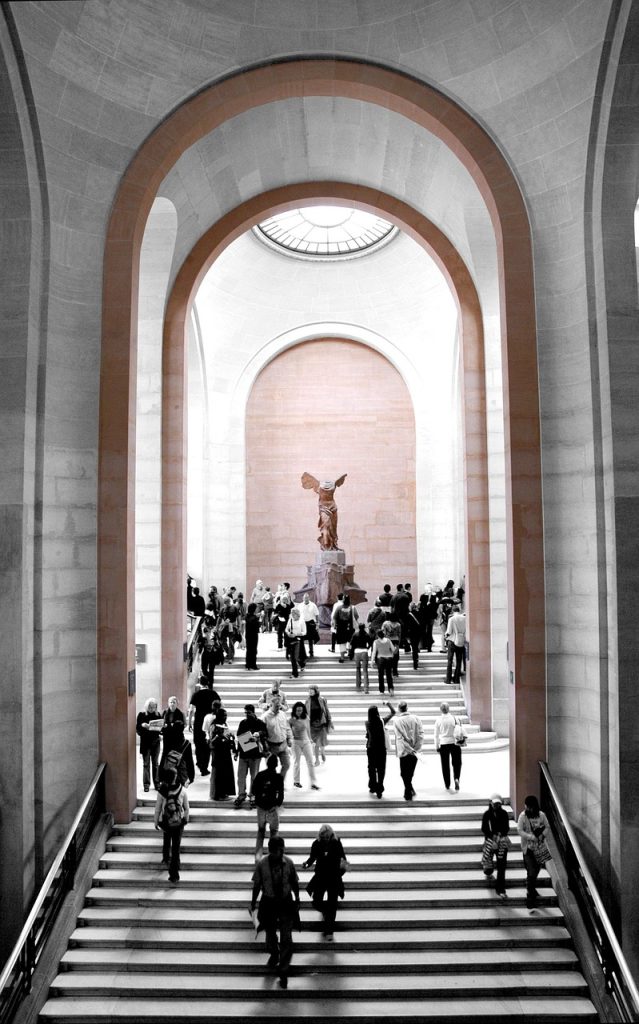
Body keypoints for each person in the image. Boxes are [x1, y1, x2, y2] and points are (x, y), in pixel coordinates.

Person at [250, 835, 300, 989]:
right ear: (272, 851)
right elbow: (257, 885)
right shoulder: (262, 865)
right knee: (270, 932)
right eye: (280, 849)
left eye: (283, 849)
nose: (282, 852)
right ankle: (274, 952)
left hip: (285, 902)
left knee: (287, 938)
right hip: (269, 902)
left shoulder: (288, 863)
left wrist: (297, 897)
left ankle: (283, 971)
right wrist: (253, 903)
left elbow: (294, 881)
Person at [302, 823, 348, 938]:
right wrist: (307, 864)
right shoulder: (316, 844)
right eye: (324, 838)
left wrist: (342, 869)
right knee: (316, 901)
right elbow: (312, 857)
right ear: (320, 836)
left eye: (328, 837)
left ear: (331, 835)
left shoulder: (336, 843)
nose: (326, 840)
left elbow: (343, 858)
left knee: (332, 903)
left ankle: (329, 931)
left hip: (333, 877)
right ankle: (327, 913)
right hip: (321, 876)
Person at [154, 766, 190, 884]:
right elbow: (186, 808)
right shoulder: (182, 790)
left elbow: (158, 808)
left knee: (167, 840)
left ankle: (165, 857)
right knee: (176, 847)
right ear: (176, 777)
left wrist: (156, 821)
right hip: (178, 823)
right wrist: (185, 819)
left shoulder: (162, 791)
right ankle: (174, 873)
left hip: (166, 822)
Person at [517, 794, 551, 910]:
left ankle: (531, 888)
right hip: (527, 848)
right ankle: (530, 897)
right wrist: (531, 837)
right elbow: (519, 830)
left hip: (539, 847)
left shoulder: (541, 815)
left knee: (536, 869)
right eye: (526, 806)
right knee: (531, 871)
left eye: (529, 806)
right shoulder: (523, 816)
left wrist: (541, 835)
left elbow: (547, 826)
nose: (527, 808)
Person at [301, 471, 347, 550]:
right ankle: (327, 546)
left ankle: (332, 545)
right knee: (326, 527)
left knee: (332, 528)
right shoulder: (324, 485)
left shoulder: (325, 485)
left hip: (332, 507)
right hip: (325, 508)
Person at [234, 703, 267, 808]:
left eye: (248, 713)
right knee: (241, 776)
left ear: (253, 712)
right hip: (244, 754)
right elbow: (239, 737)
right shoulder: (243, 723)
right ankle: (241, 794)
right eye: (245, 713)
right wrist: (236, 751)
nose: (247, 715)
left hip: (255, 754)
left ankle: (252, 794)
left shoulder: (260, 722)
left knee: (254, 776)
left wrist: (258, 734)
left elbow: (265, 732)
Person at [389, 700, 423, 800]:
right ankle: (409, 789)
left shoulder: (397, 721)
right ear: (407, 708)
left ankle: (408, 790)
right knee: (410, 772)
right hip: (415, 750)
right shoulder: (416, 718)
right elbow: (421, 734)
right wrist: (416, 748)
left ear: (399, 709)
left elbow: (400, 738)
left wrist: (409, 748)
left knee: (404, 773)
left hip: (404, 750)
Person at [252, 754, 285, 858]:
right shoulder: (278, 777)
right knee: (274, 832)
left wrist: (258, 802)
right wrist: (277, 805)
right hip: (272, 808)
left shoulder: (260, 775)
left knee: (261, 832)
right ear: (277, 765)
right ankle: (273, 855)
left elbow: (254, 790)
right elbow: (281, 794)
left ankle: (258, 857)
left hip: (261, 808)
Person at [481, 794, 511, 898]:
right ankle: (488, 870)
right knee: (488, 865)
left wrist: (499, 835)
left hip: (501, 841)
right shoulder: (487, 814)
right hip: (490, 841)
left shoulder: (504, 814)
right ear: (491, 803)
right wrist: (492, 836)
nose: (496, 806)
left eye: (498, 804)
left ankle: (500, 889)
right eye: (494, 804)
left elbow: (506, 828)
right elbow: (484, 828)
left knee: (502, 866)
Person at [188, 678, 220, 776]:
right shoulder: (213, 694)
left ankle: (199, 762)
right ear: (208, 683)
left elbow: (191, 710)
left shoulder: (196, 694)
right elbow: (219, 706)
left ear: (200, 684)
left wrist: (189, 723)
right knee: (207, 744)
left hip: (198, 722)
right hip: (210, 722)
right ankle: (204, 767)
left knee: (198, 743)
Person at [365, 702, 395, 798]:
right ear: (377, 713)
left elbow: (368, 736)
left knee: (371, 768)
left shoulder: (367, 723)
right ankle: (380, 788)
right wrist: (388, 704)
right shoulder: (382, 721)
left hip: (371, 749)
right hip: (381, 749)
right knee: (381, 768)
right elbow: (393, 712)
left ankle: (372, 786)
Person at [206, 707, 236, 801]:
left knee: (225, 773)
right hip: (218, 753)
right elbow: (211, 742)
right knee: (218, 773)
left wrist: (230, 737)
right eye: (224, 715)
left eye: (226, 715)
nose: (225, 717)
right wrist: (219, 736)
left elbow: (227, 735)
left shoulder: (224, 724)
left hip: (225, 752)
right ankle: (217, 794)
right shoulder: (213, 726)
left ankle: (224, 793)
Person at [289, 701, 320, 790]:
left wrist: (311, 740)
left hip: (306, 741)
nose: (299, 712)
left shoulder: (306, 717)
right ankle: (296, 781)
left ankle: (313, 783)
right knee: (296, 762)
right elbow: (289, 732)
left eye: (301, 710)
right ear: (294, 711)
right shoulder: (291, 720)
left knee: (310, 761)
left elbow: (308, 730)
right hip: (296, 742)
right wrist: (290, 741)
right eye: (298, 710)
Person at [262, 696, 293, 781]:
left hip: (283, 744)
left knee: (287, 765)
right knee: (271, 768)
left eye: (279, 706)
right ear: (271, 705)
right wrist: (265, 746)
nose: (278, 708)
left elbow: (287, 728)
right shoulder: (265, 717)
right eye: (276, 706)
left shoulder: (282, 714)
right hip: (271, 746)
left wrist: (290, 738)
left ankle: (280, 782)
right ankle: (273, 785)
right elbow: (262, 734)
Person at [434, 700, 462, 791]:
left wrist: (436, 746)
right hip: (454, 743)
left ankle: (447, 784)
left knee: (445, 765)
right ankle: (456, 778)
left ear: (440, 710)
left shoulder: (438, 720)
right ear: (449, 709)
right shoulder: (454, 718)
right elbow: (459, 730)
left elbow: (436, 735)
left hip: (444, 743)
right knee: (457, 763)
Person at [136, 696, 162, 792]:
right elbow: (138, 730)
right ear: (147, 707)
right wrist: (143, 726)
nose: (152, 709)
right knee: (146, 764)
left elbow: (160, 729)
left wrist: (161, 731)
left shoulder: (158, 715)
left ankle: (157, 783)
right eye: (150, 707)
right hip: (146, 743)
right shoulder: (142, 715)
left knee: (155, 764)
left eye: (154, 707)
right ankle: (146, 784)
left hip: (155, 742)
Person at [305, 685, 333, 765]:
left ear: (316, 691)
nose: (310, 692)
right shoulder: (307, 701)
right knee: (315, 743)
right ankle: (317, 760)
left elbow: (326, 710)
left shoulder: (322, 699)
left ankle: (323, 752)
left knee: (321, 742)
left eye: (311, 690)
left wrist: (329, 721)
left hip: (321, 724)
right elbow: (305, 713)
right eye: (309, 690)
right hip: (312, 725)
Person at [371, 624, 396, 695]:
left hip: (380, 659)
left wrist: (372, 661)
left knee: (381, 675)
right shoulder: (388, 640)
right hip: (389, 659)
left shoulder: (376, 642)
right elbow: (393, 650)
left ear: (377, 635)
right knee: (389, 675)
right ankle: (391, 689)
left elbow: (374, 652)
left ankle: (382, 690)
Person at [332, 593, 358, 662]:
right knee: (350, 641)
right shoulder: (353, 607)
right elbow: (356, 617)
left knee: (342, 643)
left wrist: (334, 625)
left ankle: (342, 657)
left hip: (341, 627)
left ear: (343, 600)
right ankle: (350, 653)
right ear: (349, 600)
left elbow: (334, 617)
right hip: (350, 626)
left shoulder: (339, 608)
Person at [445, 603, 466, 684]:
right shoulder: (464, 618)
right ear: (459, 610)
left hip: (452, 641)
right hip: (461, 641)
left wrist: (445, 636)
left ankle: (448, 679)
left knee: (449, 660)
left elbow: (449, 632)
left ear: (452, 611)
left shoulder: (452, 619)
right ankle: (456, 679)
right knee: (459, 660)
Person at [284, 606, 307, 678]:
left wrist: (296, 634)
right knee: (292, 657)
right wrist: (288, 633)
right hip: (290, 640)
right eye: (292, 613)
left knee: (294, 657)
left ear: (297, 614)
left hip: (298, 640)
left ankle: (295, 674)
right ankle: (301, 665)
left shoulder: (301, 621)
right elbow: (286, 629)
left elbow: (304, 632)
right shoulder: (290, 620)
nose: (292, 615)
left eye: (294, 613)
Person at [348, 622, 370, 692]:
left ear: (358, 627)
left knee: (358, 669)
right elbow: (370, 643)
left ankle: (358, 685)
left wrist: (351, 652)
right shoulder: (366, 634)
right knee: (365, 670)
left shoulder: (355, 634)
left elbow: (351, 644)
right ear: (364, 627)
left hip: (357, 652)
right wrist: (367, 648)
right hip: (364, 652)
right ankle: (366, 688)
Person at [299, 593, 320, 658]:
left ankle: (311, 652)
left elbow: (317, 615)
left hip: (311, 624)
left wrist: (317, 624)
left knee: (310, 639)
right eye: (305, 598)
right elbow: (298, 615)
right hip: (303, 624)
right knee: (302, 639)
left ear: (309, 598)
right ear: (303, 598)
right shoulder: (300, 605)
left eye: (307, 598)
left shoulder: (313, 605)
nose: (306, 599)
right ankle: (303, 653)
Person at [244, 601, 261, 670]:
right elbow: (256, 626)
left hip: (248, 635)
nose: (257, 609)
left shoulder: (247, 616)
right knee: (254, 650)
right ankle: (253, 665)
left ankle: (248, 664)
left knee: (249, 650)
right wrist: (259, 620)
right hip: (253, 635)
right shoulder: (254, 618)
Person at [407, 602, 422, 670]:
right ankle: (416, 660)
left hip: (411, 633)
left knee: (414, 648)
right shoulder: (419, 614)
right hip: (418, 633)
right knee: (416, 647)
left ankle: (415, 662)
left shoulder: (408, 615)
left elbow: (407, 626)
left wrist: (407, 636)